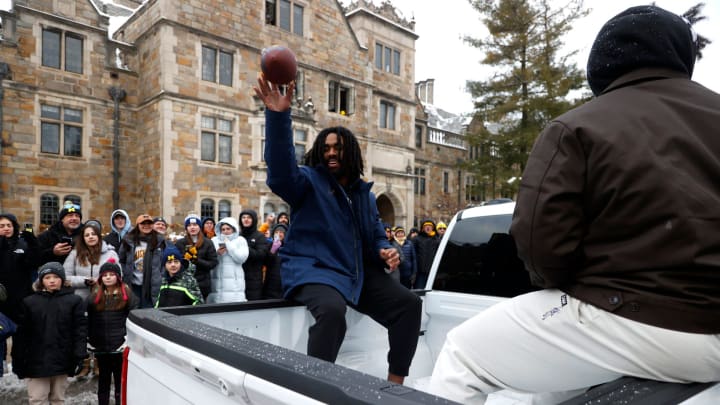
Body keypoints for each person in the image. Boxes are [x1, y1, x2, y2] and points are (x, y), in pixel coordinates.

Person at [427, 6, 720, 403]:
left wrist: (571, 286)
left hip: (641, 318)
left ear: (603, 61)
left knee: (462, 355)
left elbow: (539, 241)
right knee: (552, 392)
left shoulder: (579, 127)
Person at [254, 74, 422, 385]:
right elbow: (279, 175)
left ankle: (395, 384)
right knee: (332, 312)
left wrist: (386, 250)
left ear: (352, 154)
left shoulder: (365, 196)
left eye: (338, 148)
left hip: (354, 272)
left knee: (410, 305)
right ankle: (314, 389)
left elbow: (375, 237)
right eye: (326, 148)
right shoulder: (306, 181)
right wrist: (278, 116)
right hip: (314, 270)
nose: (331, 153)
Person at [11, 262, 88, 405]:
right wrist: (18, 360)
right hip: (36, 362)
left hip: (63, 359)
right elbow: (21, 334)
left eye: (55, 277)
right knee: (37, 399)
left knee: (58, 399)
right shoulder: (30, 302)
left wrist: (79, 355)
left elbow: (80, 330)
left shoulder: (74, 301)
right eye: (47, 277)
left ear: (62, 279)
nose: (52, 280)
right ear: (41, 281)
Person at [86, 258, 137, 405]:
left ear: (118, 277)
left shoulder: (127, 294)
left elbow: (133, 317)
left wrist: (128, 339)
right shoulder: (94, 296)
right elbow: (88, 319)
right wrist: (90, 339)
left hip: (119, 345)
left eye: (111, 274)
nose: (108, 277)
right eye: (105, 275)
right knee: (104, 380)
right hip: (101, 346)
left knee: (120, 380)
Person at [0, 213, 37, 376]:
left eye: (9, 225)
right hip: (1, 299)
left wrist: (32, 241)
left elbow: (33, 262)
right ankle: (1, 366)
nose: (6, 228)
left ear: (14, 226)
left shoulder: (22, 243)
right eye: (1, 226)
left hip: (21, 297)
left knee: (20, 336)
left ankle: (18, 368)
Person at [118, 214, 173, 308]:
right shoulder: (128, 241)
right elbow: (121, 260)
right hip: (133, 284)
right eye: (143, 223)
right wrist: (125, 272)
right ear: (137, 225)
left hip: (152, 285)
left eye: (149, 223)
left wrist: (161, 275)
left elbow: (166, 261)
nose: (146, 226)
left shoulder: (160, 241)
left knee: (149, 313)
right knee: (134, 311)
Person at [63, 220, 119, 300]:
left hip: (104, 298)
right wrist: (85, 281)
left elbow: (119, 276)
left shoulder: (111, 254)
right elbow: (65, 277)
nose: (90, 237)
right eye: (87, 235)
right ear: (83, 238)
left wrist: (100, 281)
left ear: (99, 236)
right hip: (80, 299)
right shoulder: (74, 254)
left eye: (93, 234)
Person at [175, 214, 218, 301]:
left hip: (202, 284)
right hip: (184, 283)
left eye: (195, 225)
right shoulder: (180, 243)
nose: (192, 227)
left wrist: (196, 260)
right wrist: (185, 260)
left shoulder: (208, 243)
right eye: (189, 225)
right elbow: (176, 262)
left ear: (199, 227)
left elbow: (213, 263)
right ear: (186, 228)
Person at [208, 217, 249, 303]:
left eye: (228, 229)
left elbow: (241, 258)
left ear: (233, 229)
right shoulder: (214, 240)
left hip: (235, 282)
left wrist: (229, 245)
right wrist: (217, 253)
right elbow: (209, 259)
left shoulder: (240, 240)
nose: (225, 231)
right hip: (217, 280)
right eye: (223, 229)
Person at [37, 201, 84, 266]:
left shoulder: (86, 235)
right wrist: (52, 252)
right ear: (62, 219)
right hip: (53, 274)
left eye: (77, 216)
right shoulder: (47, 236)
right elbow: (34, 258)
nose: (74, 218)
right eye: (70, 215)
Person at [238, 209, 270, 301]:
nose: (246, 219)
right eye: (243, 217)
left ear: (254, 220)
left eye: (249, 217)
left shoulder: (259, 236)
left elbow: (261, 254)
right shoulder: (238, 236)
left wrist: (245, 248)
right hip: (239, 277)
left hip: (254, 279)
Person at [412, 219, 440, 290]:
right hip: (420, 272)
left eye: (430, 226)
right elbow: (413, 255)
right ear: (422, 228)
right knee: (419, 291)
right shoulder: (416, 239)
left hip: (433, 272)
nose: (428, 227)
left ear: (433, 227)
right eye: (426, 226)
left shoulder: (437, 240)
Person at [262, 223, 286, 299]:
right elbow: (265, 263)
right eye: (276, 232)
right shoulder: (269, 245)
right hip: (270, 284)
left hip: (284, 283)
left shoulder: (288, 247)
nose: (278, 234)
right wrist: (272, 250)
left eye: (281, 232)